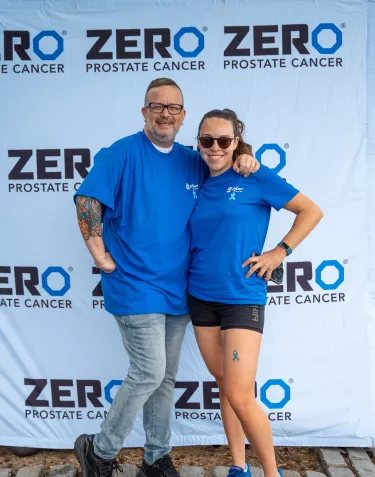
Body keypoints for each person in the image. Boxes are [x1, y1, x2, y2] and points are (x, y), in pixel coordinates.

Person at [73, 79, 259, 477]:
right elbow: (88, 200)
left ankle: (156, 458)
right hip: (134, 285)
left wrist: (245, 153)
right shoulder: (120, 154)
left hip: (179, 288)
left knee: (164, 378)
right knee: (149, 371)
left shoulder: (192, 159)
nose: (165, 114)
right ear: (144, 111)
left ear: (183, 116)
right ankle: (100, 451)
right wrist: (99, 254)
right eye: (157, 106)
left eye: (174, 108)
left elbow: (223, 156)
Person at [187, 109, 324, 477]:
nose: (214, 148)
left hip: (241, 297)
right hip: (199, 296)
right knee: (224, 385)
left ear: (235, 142)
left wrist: (280, 252)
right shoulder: (194, 176)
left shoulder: (253, 174)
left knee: (241, 394)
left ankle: (272, 474)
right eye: (206, 140)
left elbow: (311, 211)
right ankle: (237, 465)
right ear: (197, 142)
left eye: (223, 141)